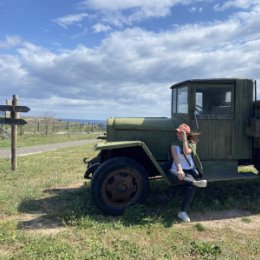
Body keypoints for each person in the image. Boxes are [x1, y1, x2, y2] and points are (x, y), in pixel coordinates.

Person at [170, 123, 207, 223]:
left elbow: (186, 151)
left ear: (185, 135)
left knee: (190, 188)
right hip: (176, 169)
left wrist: (185, 139)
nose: (177, 134)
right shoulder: (174, 144)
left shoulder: (192, 143)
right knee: (189, 181)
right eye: (178, 132)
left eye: (180, 133)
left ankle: (182, 212)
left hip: (189, 171)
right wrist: (179, 170)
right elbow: (176, 158)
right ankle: (195, 182)